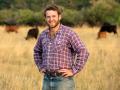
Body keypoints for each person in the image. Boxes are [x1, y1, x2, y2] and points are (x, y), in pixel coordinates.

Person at [34, 4, 89, 90]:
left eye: (54, 16)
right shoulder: (43, 35)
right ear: (45, 18)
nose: (51, 19)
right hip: (47, 80)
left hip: (63, 81)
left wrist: (74, 70)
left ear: (59, 17)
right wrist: (40, 66)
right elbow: (37, 51)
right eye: (48, 17)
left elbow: (83, 51)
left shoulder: (69, 33)